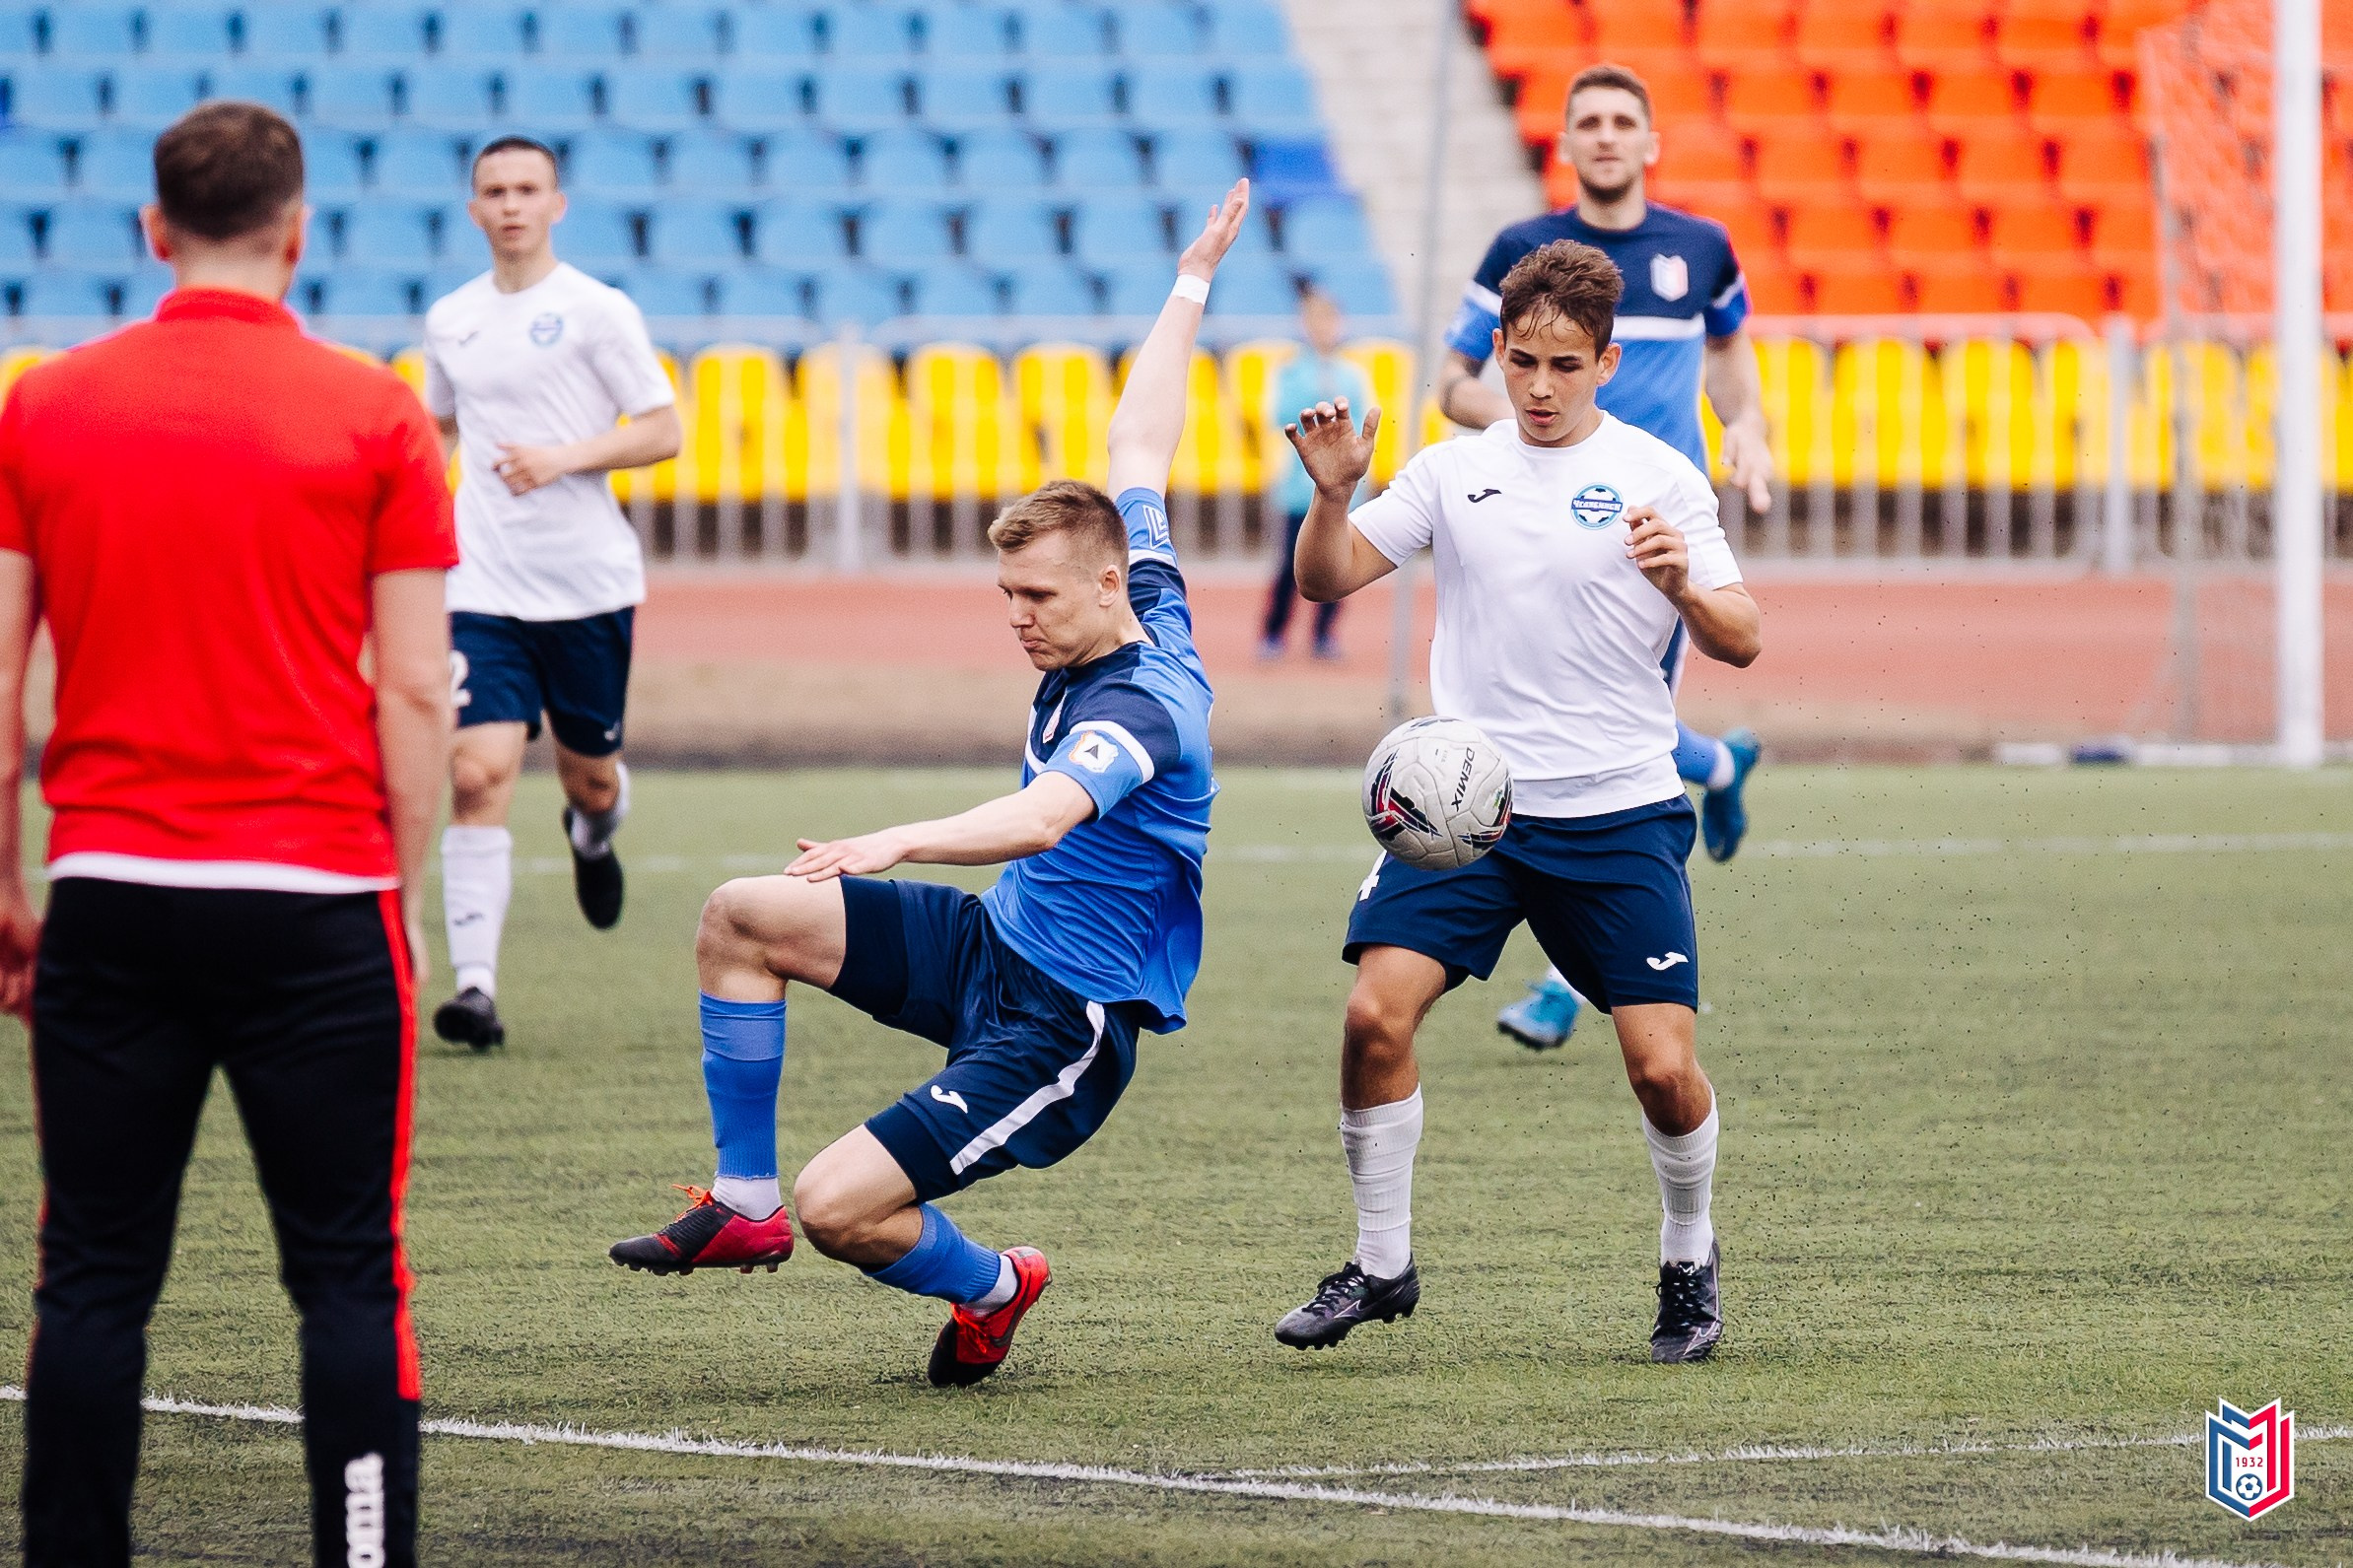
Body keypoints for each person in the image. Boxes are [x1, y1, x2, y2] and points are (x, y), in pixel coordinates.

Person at [605, 183, 1246, 1388]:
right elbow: (1138, 445)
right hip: (990, 946)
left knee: (841, 1207)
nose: (1017, 618)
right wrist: (1191, 279)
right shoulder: (1145, 588)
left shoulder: (1147, 707)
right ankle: (739, 1201)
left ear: (1105, 589)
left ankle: (995, 1283)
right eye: (1005, 595)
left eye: (1037, 598)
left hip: (1063, 1020)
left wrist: (896, 838)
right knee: (741, 915)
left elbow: (1044, 813)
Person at [0, 102, 455, 1567]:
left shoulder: (42, 405)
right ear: (298, 228)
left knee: (90, 1279)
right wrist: (403, 880)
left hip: (111, 884)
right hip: (317, 892)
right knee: (344, 1278)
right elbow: (413, 689)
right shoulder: (375, 412)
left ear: (152, 230)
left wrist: (9, 881)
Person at [1274, 239, 1760, 1363]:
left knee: (1659, 1067)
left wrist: (1683, 581)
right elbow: (1328, 576)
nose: (1538, 387)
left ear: (1605, 360)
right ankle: (1380, 1261)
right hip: (1468, 812)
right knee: (1371, 1016)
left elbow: (1741, 639)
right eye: (1521, 360)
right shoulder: (1454, 470)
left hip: (1621, 811)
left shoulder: (1660, 479)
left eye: (1564, 365)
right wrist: (1334, 496)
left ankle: (1688, 1257)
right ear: (1496, 350)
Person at [1441, 64, 1766, 1052]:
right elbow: (1453, 386)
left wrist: (1744, 425)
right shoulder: (1520, 253)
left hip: (1642, 534)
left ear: (1649, 140)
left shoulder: (1699, 249)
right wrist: (1541, 422)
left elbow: (1728, 361)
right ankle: (1716, 764)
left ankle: (1559, 986)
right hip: (1539, 523)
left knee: (1609, 725)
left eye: (1625, 119)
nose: (1607, 135)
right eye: (1588, 120)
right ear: (1565, 141)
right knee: (1603, 718)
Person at [421, 134, 683, 1052]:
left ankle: (593, 830)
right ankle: (477, 991)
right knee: (476, 771)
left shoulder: (595, 311)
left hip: (586, 585)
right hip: (483, 582)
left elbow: (663, 429)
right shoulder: (450, 317)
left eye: (527, 188)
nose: (510, 204)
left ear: (556, 203)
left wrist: (563, 457)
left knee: (589, 771)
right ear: (474, 208)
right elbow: (441, 425)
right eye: (492, 189)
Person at [1260, 288, 1370, 661]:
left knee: (1339, 565)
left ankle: (1324, 634)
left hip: (1343, 491)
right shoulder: (1290, 371)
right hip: (1297, 489)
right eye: (1315, 322)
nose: (1323, 330)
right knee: (1289, 566)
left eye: (1329, 321)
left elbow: (1360, 425)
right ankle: (1273, 634)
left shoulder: (1352, 374)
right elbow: (1280, 416)